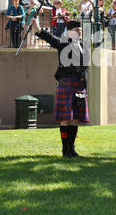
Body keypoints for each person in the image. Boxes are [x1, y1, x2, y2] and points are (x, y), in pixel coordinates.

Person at [31, 18, 89, 158]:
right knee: (65, 118)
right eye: (76, 30)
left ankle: (72, 149)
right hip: (67, 83)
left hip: (79, 85)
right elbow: (49, 38)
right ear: (69, 32)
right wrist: (37, 28)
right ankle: (65, 150)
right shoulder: (63, 43)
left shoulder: (82, 45)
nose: (79, 32)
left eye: (80, 30)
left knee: (75, 119)